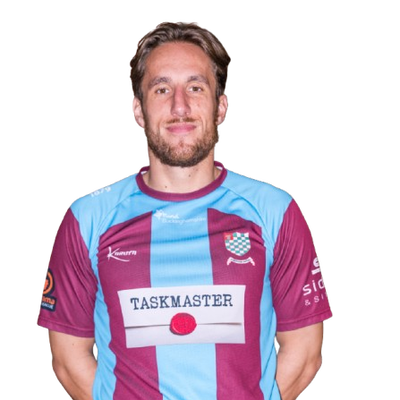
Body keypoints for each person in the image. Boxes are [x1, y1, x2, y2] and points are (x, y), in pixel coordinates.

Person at [34, 19, 334, 400]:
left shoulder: (276, 211)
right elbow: (67, 360)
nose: (180, 106)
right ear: (136, 110)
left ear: (222, 107)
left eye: (196, 87)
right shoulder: (86, 218)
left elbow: (305, 354)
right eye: (162, 89)